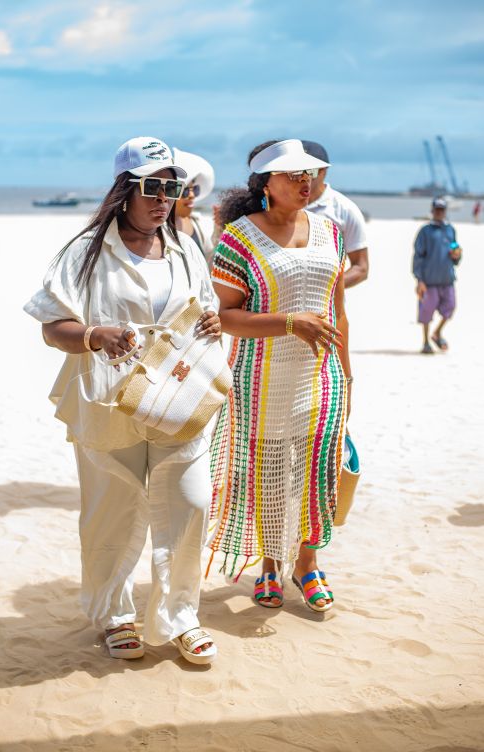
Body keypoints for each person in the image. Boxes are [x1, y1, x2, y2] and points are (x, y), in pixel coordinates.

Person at [24, 137, 221, 664]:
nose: (163, 199)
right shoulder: (85, 252)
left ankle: (181, 616)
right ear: (125, 190)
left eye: (172, 189)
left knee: (191, 504)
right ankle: (115, 614)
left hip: (178, 398)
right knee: (111, 511)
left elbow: (204, 309)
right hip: (109, 401)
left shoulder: (185, 249)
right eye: (152, 187)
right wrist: (95, 335)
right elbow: (52, 327)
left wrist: (211, 321)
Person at [208, 139, 352, 612]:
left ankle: (306, 564)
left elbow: (338, 311)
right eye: (292, 174)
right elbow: (224, 316)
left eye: (308, 173)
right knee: (268, 472)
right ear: (265, 183)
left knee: (317, 472)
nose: (304, 181)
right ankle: (270, 564)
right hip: (260, 378)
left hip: (322, 376)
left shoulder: (330, 232)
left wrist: (348, 377)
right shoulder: (239, 237)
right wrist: (290, 323)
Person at [302, 141, 369, 289]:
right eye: (296, 172)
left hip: (327, 302)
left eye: (309, 171)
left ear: (324, 171)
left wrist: (325, 289)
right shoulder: (278, 206)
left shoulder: (345, 210)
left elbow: (361, 267)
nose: (303, 177)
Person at [413, 197, 462, 354]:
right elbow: (418, 256)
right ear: (432, 210)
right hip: (429, 281)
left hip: (447, 279)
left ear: (445, 211)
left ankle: (437, 333)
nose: (439, 212)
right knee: (426, 312)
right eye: (437, 209)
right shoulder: (425, 231)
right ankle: (425, 342)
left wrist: (457, 256)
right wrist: (419, 280)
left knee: (450, 307)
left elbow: (455, 253)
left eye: (442, 209)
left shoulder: (450, 229)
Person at [172, 147, 215, 265]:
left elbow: (209, 266)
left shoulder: (199, 224)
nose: (192, 195)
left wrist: (218, 232)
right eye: (185, 191)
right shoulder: (156, 229)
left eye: (195, 189)